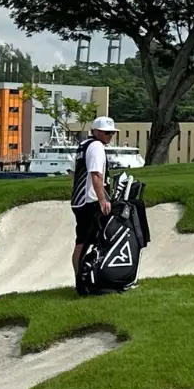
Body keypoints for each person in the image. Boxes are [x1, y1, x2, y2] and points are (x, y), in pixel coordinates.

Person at [70, 116, 118, 280]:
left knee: (81, 241)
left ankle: (80, 277)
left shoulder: (83, 146)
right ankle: (88, 277)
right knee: (92, 240)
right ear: (96, 131)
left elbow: (73, 173)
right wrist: (102, 200)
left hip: (79, 200)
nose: (109, 136)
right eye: (106, 133)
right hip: (90, 202)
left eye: (111, 133)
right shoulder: (96, 146)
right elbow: (96, 175)